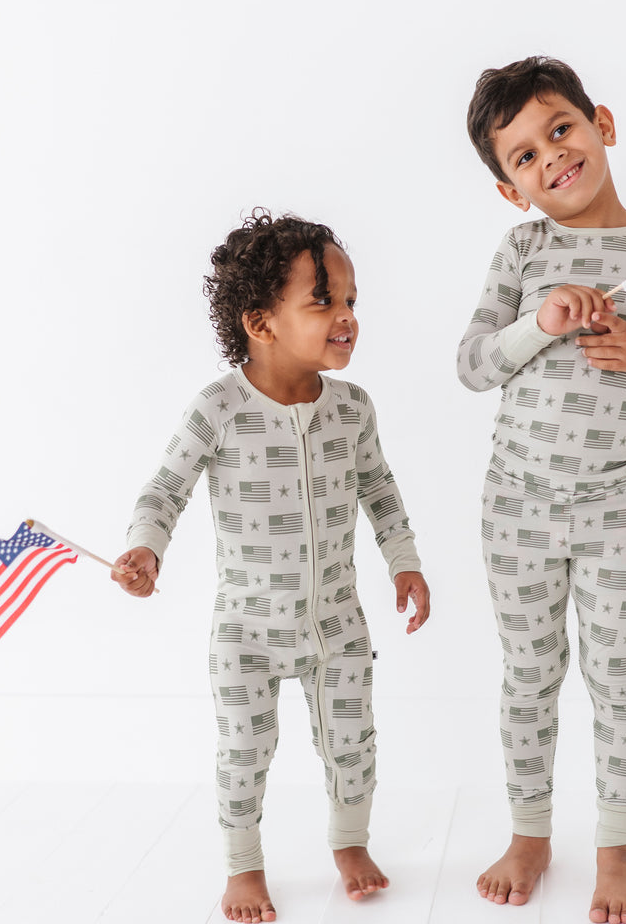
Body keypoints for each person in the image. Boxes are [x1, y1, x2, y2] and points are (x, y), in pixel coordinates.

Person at [459, 57, 626, 924]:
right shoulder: (523, 250)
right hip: (517, 504)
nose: (551, 158)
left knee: (618, 674)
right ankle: (531, 832)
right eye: (524, 157)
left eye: (561, 130)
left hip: (618, 504)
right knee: (530, 674)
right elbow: (470, 366)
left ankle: (617, 845)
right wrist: (539, 326)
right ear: (512, 190)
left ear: (601, 124)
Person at [112, 210, 431, 923]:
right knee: (243, 751)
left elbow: (380, 489)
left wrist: (403, 562)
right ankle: (243, 867)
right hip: (247, 631)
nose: (347, 316)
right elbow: (166, 490)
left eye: (351, 301)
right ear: (261, 322)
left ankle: (350, 845)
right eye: (324, 301)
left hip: (338, 623)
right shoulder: (218, 408)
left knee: (354, 742)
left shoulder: (353, 409)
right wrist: (145, 547)